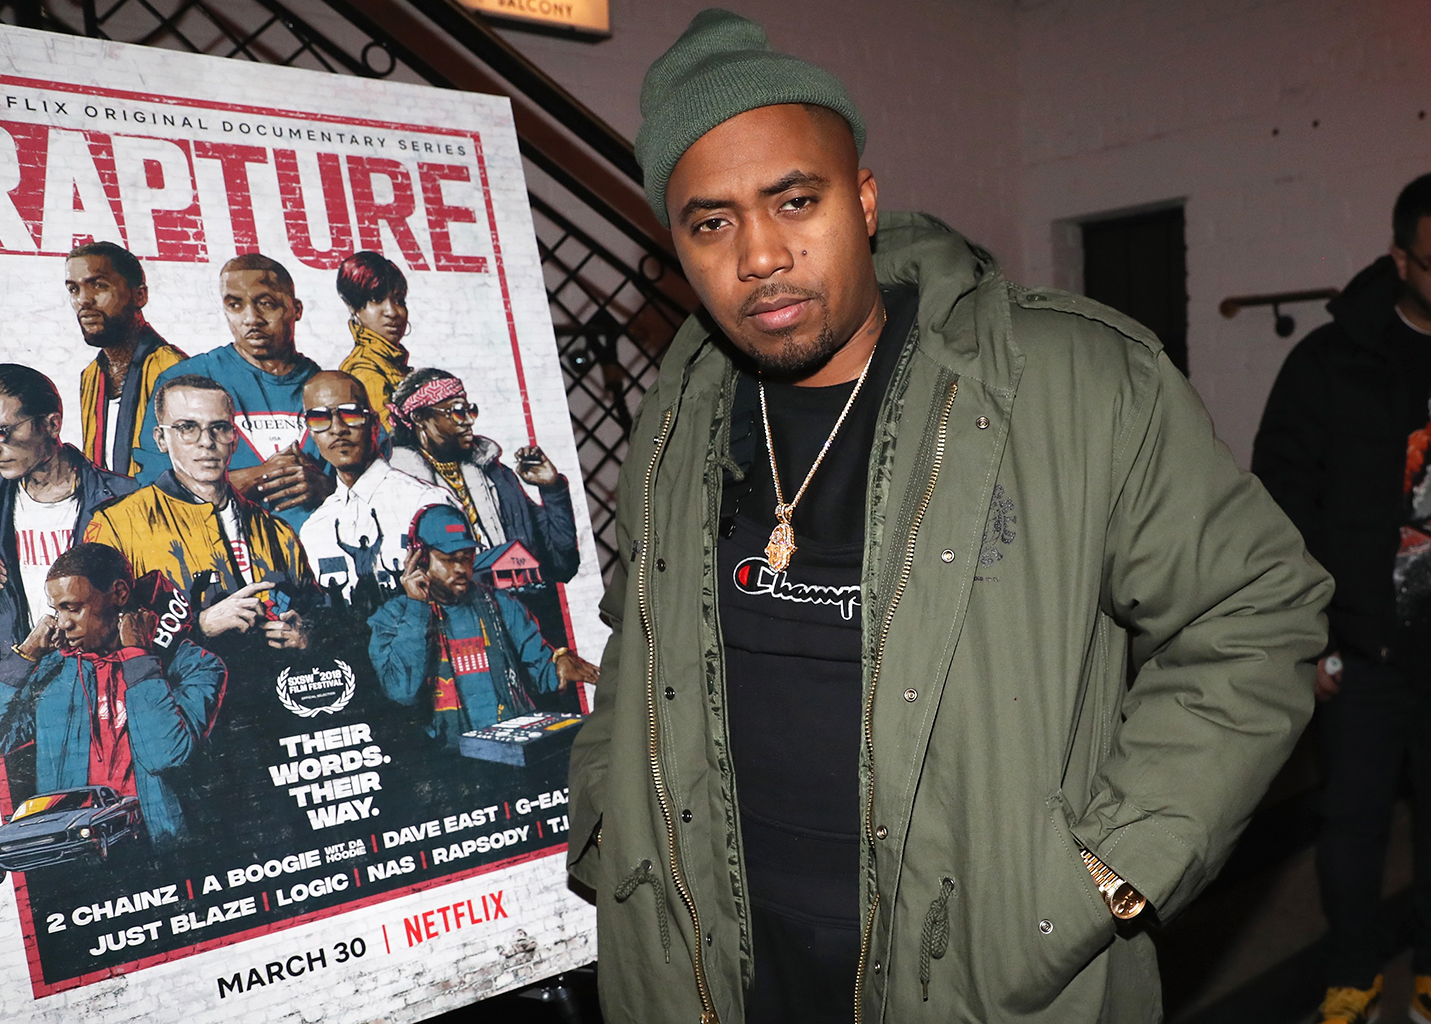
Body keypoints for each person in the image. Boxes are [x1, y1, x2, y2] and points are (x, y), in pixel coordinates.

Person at [566, 12, 1333, 1024]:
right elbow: (637, 631)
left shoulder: (1072, 381)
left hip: (975, 976)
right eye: (711, 224)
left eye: (794, 201)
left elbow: (1255, 609)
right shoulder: (681, 409)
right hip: (710, 974)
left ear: (864, 200)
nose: (760, 254)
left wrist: (1117, 864)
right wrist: (605, 809)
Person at [1253, 172, 1431, 1024]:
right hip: (1362, 651)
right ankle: (1354, 971)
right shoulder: (1330, 362)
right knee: (1351, 829)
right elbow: (1282, 506)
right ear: (1400, 259)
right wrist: (1310, 637)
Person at [0, 542, 225, 843]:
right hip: (73, 853)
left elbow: (165, 756)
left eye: (73, 608)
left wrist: (138, 657)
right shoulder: (54, 674)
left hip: (158, 849)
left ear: (119, 594)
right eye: (57, 610)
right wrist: (25, 655)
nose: (63, 623)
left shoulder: (196, 665)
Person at [85, 374, 314, 653]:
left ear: (235, 439)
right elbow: (97, 640)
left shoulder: (276, 532)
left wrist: (305, 634)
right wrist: (201, 625)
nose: (206, 442)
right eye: (187, 428)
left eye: (219, 427)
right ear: (161, 439)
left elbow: (317, 613)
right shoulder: (116, 525)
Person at [0, 364, 136, 665]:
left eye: (1, 431)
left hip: (110, 675)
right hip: (27, 680)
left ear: (52, 424)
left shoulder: (128, 499)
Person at [366, 503, 596, 747]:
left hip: (513, 747)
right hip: (451, 757)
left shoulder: (501, 603)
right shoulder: (392, 617)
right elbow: (401, 691)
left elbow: (540, 671)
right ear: (420, 560)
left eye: (466, 558)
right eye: (448, 559)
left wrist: (558, 665)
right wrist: (416, 609)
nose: (461, 569)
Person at [133, 253, 333, 530]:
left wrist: (330, 489)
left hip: (319, 551)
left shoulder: (330, 389)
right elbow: (154, 488)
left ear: (295, 309)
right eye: (235, 305)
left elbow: (375, 483)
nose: (251, 319)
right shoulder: (185, 381)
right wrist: (259, 477)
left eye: (266, 303)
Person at [388, 368, 579, 584]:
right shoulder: (397, 486)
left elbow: (562, 565)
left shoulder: (497, 476)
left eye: (471, 410)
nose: (469, 420)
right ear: (419, 417)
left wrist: (552, 489)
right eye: (457, 411)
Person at [297, 370, 454, 608]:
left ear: (374, 423)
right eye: (319, 419)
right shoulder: (315, 529)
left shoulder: (426, 503)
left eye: (350, 414)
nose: (337, 429)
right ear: (310, 432)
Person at [67, 241, 187, 476]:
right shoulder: (91, 376)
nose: (83, 300)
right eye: (74, 289)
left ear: (139, 296)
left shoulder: (173, 369)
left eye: (99, 286)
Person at [336, 250, 413, 430]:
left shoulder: (390, 363)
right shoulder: (364, 369)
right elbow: (389, 437)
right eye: (377, 299)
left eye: (399, 300)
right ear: (355, 308)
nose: (392, 312)